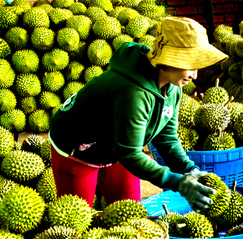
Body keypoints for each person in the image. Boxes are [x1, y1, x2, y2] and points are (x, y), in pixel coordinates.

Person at [48, 17, 228, 210]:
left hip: (119, 147)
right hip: (77, 147)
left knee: (131, 215)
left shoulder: (173, 87)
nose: (195, 75)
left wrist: (188, 169)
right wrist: (178, 183)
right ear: (169, 59)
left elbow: (166, 138)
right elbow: (131, 154)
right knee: (75, 219)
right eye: (190, 66)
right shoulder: (133, 93)